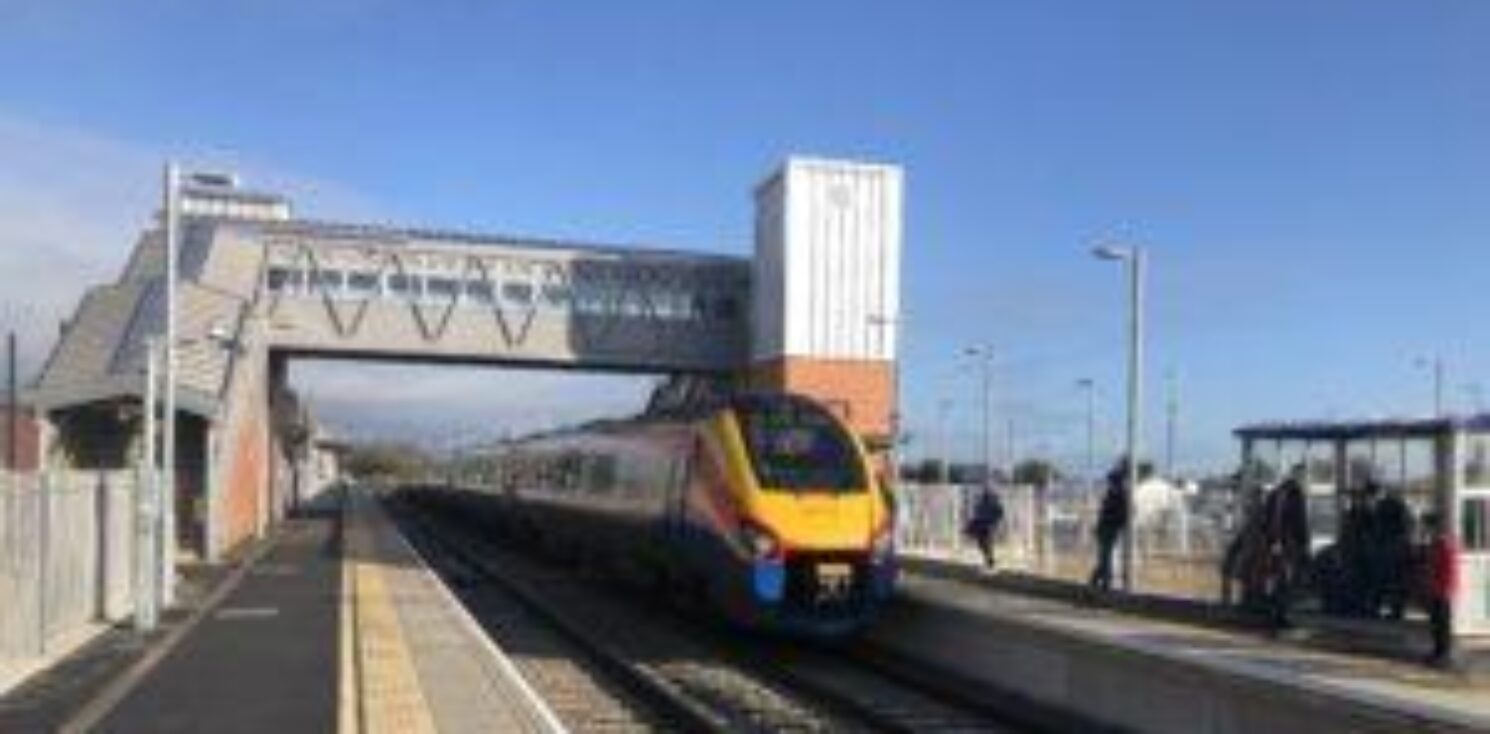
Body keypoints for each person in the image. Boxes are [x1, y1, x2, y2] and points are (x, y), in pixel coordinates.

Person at [1265, 465, 1311, 629]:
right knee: (1287, 580)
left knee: (1277, 579)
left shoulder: (1275, 494)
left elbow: (1268, 520)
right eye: (1304, 476)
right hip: (1289, 545)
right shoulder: (1296, 494)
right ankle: (1281, 615)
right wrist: (1305, 544)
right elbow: (1301, 522)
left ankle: (1274, 613)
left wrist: (1272, 541)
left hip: (1275, 544)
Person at [1422, 512, 1459, 667]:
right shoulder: (1436, 543)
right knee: (1436, 623)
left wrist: (1445, 588)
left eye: (1428, 527)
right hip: (1436, 589)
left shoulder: (1445, 544)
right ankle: (1437, 651)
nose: (1426, 531)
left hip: (1443, 590)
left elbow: (1449, 569)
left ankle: (1444, 654)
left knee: (1443, 624)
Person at [1089, 461, 1130, 592]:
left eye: (1113, 482)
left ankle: (1101, 582)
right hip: (1107, 529)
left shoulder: (1120, 495)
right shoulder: (1114, 495)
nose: (1111, 484)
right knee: (1105, 557)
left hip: (1112, 529)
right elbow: (1107, 514)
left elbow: (1122, 514)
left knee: (1107, 557)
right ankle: (1102, 582)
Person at [1373, 488, 1414, 620]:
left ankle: (1377, 607)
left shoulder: (1382, 507)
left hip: (1386, 549)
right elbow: (1409, 526)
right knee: (1396, 582)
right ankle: (1397, 610)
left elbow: (1377, 528)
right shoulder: (1402, 507)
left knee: (1382, 580)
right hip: (1399, 548)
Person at [964, 485, 1005, 569]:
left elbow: (999, 513)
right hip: (981, 525)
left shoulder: (994, 504)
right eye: (985, 494)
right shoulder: (981, 503)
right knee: (982, 544)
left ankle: (990, 561)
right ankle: (988, 560)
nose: (985, 496)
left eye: (986, 494)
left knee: (986, 544)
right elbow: (977, 514)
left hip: (987, 525)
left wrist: (994, 523)